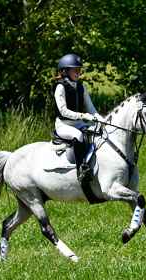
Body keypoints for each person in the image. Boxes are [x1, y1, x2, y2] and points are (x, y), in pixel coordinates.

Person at [52, 54, 106, 183]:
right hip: (64, 126)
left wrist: (100, 118)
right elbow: (63, 111)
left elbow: (91, 108)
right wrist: (83, 116)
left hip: (80, 123)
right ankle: (81, 170)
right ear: (65, 71)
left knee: (99, 132)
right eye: (75, 70)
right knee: (78, 135)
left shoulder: (81, 87)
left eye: (79, 70)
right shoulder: (60, 87)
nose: (78, 73)